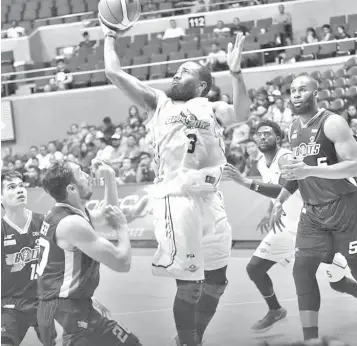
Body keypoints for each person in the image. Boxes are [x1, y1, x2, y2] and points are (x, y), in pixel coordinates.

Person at [101, 17, 251, 346]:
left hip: (210, 198)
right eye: (177, 70)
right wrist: (109, 35)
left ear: (201, 85)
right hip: (175, 199)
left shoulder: (212, 107)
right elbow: (114, 73)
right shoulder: (159, 103)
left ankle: (190, 337)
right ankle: (189, 342)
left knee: (216, 284)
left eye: (184, 71)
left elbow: (242, 113)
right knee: (190, 286)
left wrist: (237, 73)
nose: (176, 74)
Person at [224, 120, 357, 333]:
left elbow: (285, 187)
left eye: (268, 133)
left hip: (312, 224)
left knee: (338, 282)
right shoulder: (260, 163)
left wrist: (247, 182)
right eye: (258, 134)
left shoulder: (286, 157)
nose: (262, 137)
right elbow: (280, 196)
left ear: (279, 138)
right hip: (285, 228)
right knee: (255, 268)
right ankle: (275, 310)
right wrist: (271, 211)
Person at [270, 75, 357, 340]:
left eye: (302, 89)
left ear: (316, 92)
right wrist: (279, 199)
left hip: (345, 208)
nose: (296, 94)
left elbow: (354, 165)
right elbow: (298, 172)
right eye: (292, 90)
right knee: (301, 270)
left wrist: (309, 170)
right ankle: (311, 338)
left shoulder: (332, 123)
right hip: (313, 214)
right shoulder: (293, 126)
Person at [36, 160, 142, 346]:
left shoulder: (74, 213)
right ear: (71, 188)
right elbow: (122, 262)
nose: (87, 175)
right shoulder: (71, 224)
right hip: (63, 317)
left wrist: (110, 178)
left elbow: (108, 216)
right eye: (81, 173)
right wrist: (123, 227)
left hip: (78, 306)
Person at [1, 171, 43, 346]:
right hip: (11, 304)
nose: (20, 190)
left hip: (44, 301)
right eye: (11, 187)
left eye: (21, 186)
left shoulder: (43, 222)